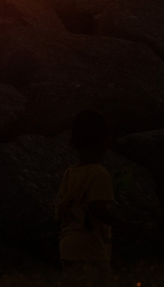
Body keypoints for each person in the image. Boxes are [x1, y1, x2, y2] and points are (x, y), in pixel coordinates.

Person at [57, 110, 116, 284]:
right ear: (103, 142)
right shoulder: (99, 173)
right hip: (91, 248)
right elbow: (97, 208)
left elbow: (61, 208)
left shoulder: (70, 174)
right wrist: (128, 226)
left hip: (67, 247)